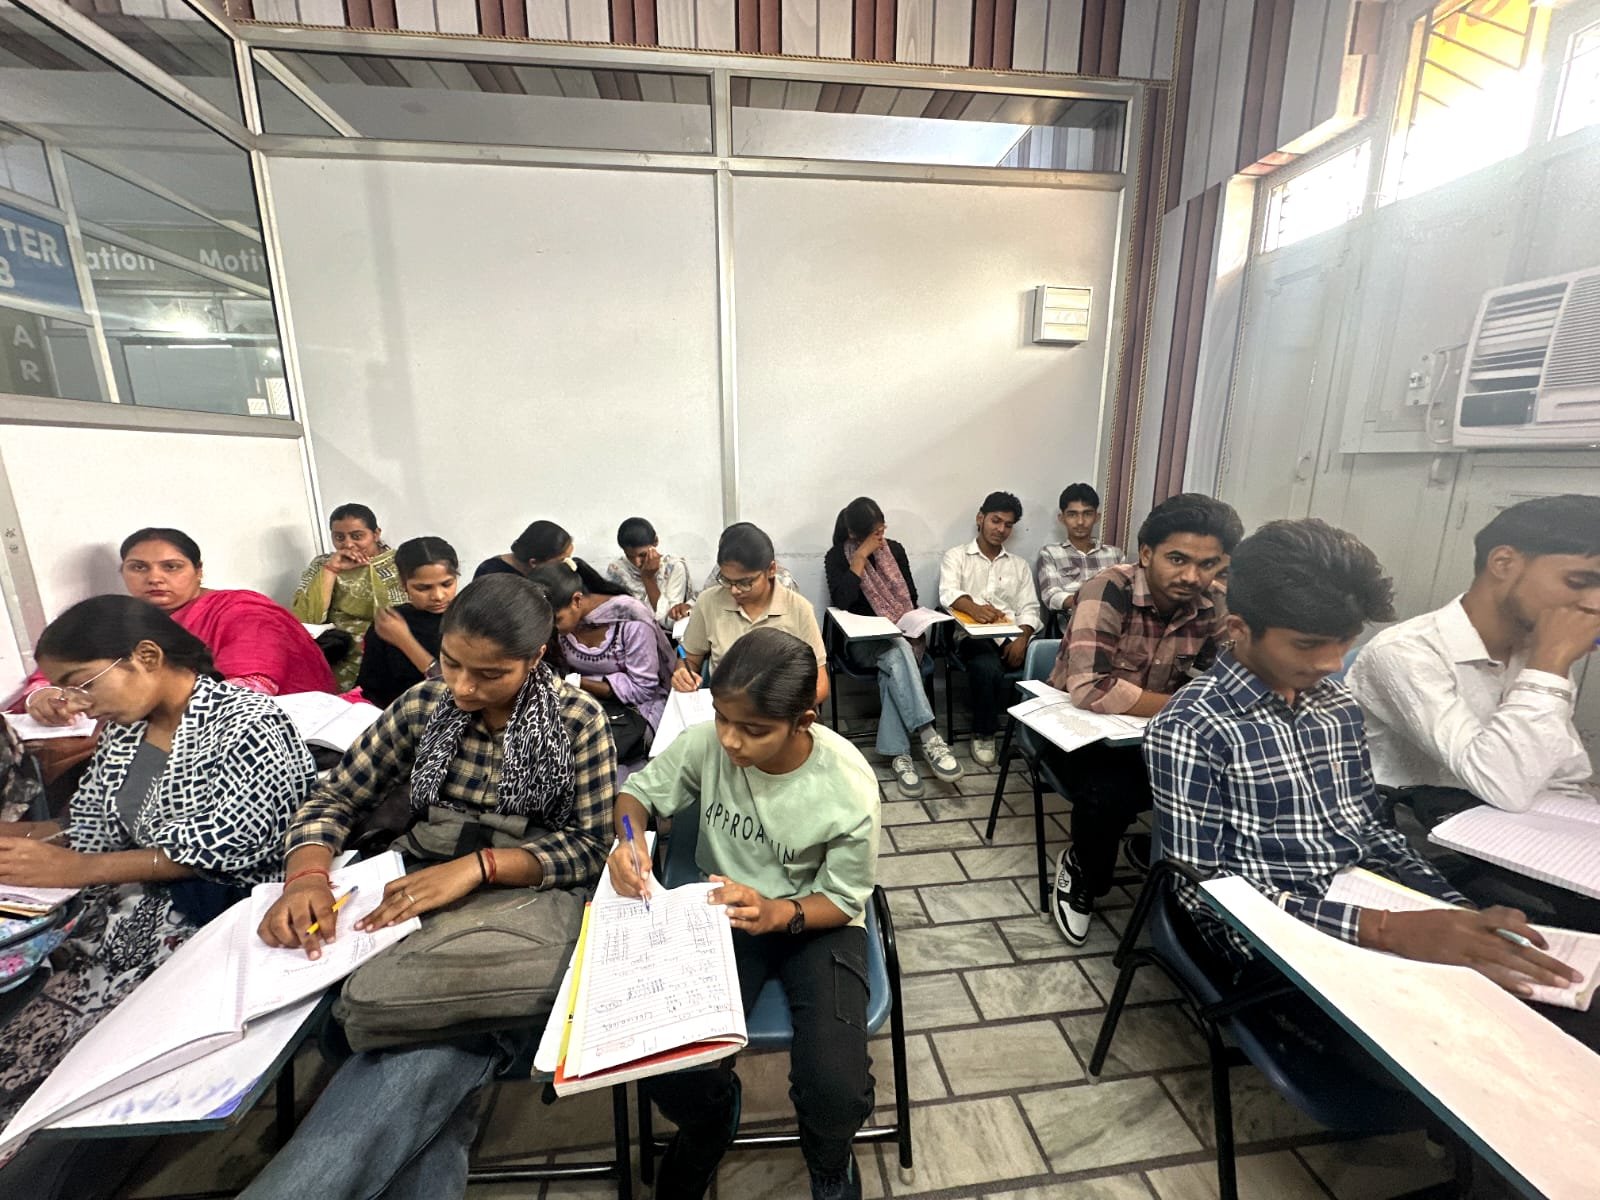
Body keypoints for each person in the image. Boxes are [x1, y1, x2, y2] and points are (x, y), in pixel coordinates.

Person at [242, 576, 614, 1200]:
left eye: (490, 674)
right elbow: (337, 797)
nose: (463, 687)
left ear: (536, 656)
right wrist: (305, 873)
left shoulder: (577, 720)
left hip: (523, 900)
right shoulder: (424, 704)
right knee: (433, 1046)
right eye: (452, 662)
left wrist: (481, 867)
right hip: (412, 882)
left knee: (418, 1045)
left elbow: (589, 846)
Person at [1147, 519, 1583, 1030]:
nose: (1333, 663)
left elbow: (1372, 829)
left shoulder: (1334, 704)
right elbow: (1203, 890)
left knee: (1545, 1002)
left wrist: (1456, 911)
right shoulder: (1191, 726)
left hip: (1362, 896)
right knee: (1478, 1032)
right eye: (1308, 645)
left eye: (1345, 642)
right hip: (1268, 938)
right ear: (1239, 630)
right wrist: (1383, 929)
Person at [0, 596, 314, 1125]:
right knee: (35, 991)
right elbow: (93, 826)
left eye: (81, 683)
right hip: (127, 900)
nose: (77, 704)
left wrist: (80, 869)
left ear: (146, 656)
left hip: (218, 907)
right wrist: (28, 841)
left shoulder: (247, 722)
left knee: (66, 1050)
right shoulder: (129, 730)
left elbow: (232, 846)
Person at [609, 628, 879, 1200]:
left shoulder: (846, 784)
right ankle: (710, 1123)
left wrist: (779, 912)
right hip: (725, 913)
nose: (731, 741)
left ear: (803, 722)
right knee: (667, 1064)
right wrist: (629, 840)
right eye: (722, 718)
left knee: (836, 1089)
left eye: (754, 730)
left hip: (815, 921)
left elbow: (842, 899)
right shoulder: (706, 744)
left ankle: (829, 1159)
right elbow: (637, 797)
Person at [1347, 493, 1600, 928]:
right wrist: (1550, 665)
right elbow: (1502, 785)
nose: (1594, 604)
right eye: (1579, 582)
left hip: (1514, 842)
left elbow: (1563, 775)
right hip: (1421, 848)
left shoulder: (1534, 650)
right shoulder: (1406, 653)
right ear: (1503, 563)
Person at [1047, 492, 1240, 945]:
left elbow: (1230, 684)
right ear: (1147, 553)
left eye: (1208, 564)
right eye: (1178, 559)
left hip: (1156, 731)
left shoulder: (1212, 602)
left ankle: (1181, 875)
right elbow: (1090, 688)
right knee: (1107, 793)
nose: (1192, 576)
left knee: (1232, 778)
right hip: (1076, 730)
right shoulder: (1108, 589)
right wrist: (1186, 707)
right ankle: (1083, 869)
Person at [19, 529, 336, 728]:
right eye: (138, 568)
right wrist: (43, 696)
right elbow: (61, 665)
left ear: (198, 571)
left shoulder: (243, 611)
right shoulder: (122, 619)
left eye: (171, 567)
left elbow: (248, 691)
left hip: (261, 735)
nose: (154, 578)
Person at [824, 497, 961, 797]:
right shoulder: (837, 556)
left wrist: (912, 621)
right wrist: (859, 558)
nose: (881, 536)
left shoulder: (895, 550)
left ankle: (900, 756)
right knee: (898, 653)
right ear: (854, 534)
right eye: (874, 533)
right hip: (861, 644)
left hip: (901, 636)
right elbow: (842, 602)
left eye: (882, 529)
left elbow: (910, 595)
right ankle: (928, 735)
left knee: (895, 661)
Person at [528, 557, 675, 766]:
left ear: (577, 600)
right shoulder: (559, 625)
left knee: (584, 753)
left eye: (557, 620)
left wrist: (575, 682)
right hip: (582, 702)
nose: (552, 628)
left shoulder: (630, 620)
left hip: (634, 710)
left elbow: (642, 689)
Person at [937, 491, 1040, 767]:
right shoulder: (957, 556)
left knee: (1048, 660)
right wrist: (974, 608)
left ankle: (1037, 735)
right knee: (986, 665)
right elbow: (948, 594)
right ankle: (984, 733)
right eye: (996, 521)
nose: (1001, 529)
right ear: (980, 518)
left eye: (1008, 524)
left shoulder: (1019, 566)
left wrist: (1022, 639)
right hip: (970, 636)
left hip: (1012, 637)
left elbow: (1030, 608)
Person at [674, 523, 829, 705]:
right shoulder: (708, 602)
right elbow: (690, 659)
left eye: (745, 582)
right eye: (726, 580)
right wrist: (684, 674)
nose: (734, 590)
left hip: (781, 710)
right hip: (727, 710)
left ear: (771, 570)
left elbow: (820, 683)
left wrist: (784, 711)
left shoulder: (798, 608)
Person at [290, 503, 405, 691]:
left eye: (357, 536)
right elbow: (304, 620)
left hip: (384, 642)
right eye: (339, 537)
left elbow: (403, 614)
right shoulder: (322, 564)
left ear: (376, 534)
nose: (348, 544)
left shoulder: (398, 563)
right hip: (335, 645)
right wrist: (331, 570)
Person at [354, 537, 460, 710]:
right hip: (394, 715)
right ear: (403, 584)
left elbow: (458, 690)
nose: (438, 596)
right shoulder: (389, 622)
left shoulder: (469, 620)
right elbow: (370, 690)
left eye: (447, 584)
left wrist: (405, 641)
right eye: (423, 588)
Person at [1035, 483, 1123, 618]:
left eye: (1087, 514)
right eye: (1072, 514)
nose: (1080, 522)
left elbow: (1125, 595)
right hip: (1071, 625)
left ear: (1097, 517)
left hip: (1111, 623)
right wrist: (1086, 602)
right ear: (1062, 518)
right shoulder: (1050, 553)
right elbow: (1051, 596)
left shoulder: (1115, 555)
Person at [606, 516, 697, 629]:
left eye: (643, 555)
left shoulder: (674, 567)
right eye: (630, 556)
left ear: (655, 542)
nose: (637, 562)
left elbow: (670, 621)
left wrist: (648, 579)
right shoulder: (617, 569)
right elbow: (613, 614)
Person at [473, 520, 574, 579]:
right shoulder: (492, 576)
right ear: (534, 563)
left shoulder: (535, 572)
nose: (567, 565)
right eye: (561, 561)